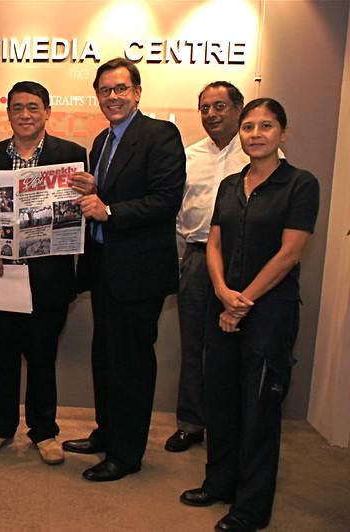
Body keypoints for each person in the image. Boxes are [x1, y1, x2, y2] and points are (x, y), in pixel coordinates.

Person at [180, 98, 319, 532]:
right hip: (224, 305)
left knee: (259, 409)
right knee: (220, 401)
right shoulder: (229, 185)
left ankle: (252, 507)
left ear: (283, 133)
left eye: (266, 126)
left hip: (268, 313)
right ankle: (219, 483)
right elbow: (214, 243)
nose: (256, 134)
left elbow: (290, 253)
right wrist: (223, 292)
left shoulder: (300, 184)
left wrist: (242, 302)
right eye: (249, 127)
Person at [64, 58, 186, 481]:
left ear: (137, 92)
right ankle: (107, 433)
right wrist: (94, 188)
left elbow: (166, 200)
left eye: (120, 89)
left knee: (131, 364)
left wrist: (109, 210)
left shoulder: (160, 134)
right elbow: (113, 192)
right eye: (105, 90)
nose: (112, 97)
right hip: (104, 267)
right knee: (105, 357)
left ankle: (126, 453)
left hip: (139, 272)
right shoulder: (102, 141)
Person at [0, 81, 89, 466]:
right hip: (1, 275)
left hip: (49, 276)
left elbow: (78, 211)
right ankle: (0, 427)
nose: (25, 115)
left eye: (33, 107)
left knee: (42, 358)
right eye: (18, 108)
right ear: (8, 114)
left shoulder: (71, 156)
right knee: (3, 355)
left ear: (47, 112)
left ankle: (44, 431)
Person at [165, 81, 247, 453]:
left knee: (239, 346)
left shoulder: (257, 152)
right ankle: (191, 423)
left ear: (238, 109)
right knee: (193, 345)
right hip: (197, 258)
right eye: (205, 108)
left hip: (243, 260)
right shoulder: (189, 156)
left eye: (220, 106)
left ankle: (234, 425)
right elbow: (177, 214)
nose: (211, 114)